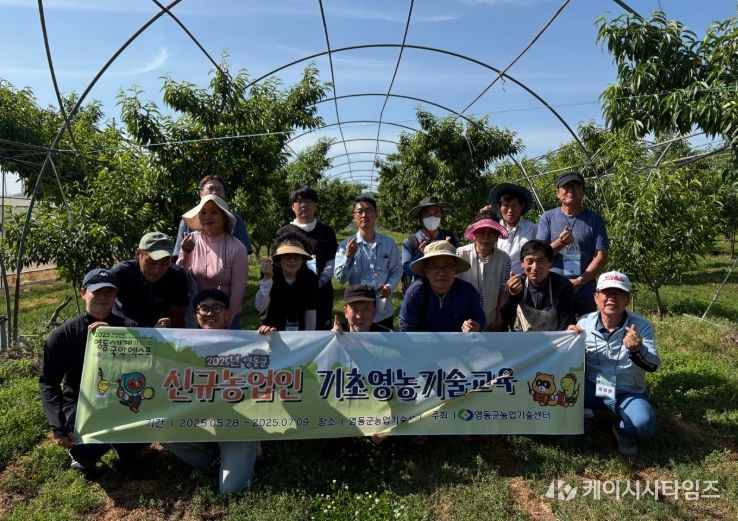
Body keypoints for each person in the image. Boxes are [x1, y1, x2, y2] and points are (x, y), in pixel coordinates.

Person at [39, 268, 139, 470]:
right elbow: (49, 382)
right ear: (83, 292)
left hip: (121, 400)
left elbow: (144, 367)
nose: (103, 297)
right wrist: (58, 427)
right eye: (97, 291)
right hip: (80, 403)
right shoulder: (62, 335)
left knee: (136, 445)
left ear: (115, 295)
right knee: (85, 453)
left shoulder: (130, 328)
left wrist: (116, 338)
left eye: (109, 292)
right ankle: (86, 447)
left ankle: (122, 444)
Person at [164, 289, 259, 493]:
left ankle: (250, 449)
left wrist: (273, 339)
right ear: (195, 315)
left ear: (227, 314)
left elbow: (278, 365)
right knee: (159, 429)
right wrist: (155, 336)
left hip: (239, 426)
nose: (210, 313)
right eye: (204, 308)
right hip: (199, 419)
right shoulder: (180, 344)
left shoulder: (249, 342)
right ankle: (211, 459)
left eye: (217, 308)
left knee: (231, 490)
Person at [568, 271, 660, 455]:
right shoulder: (584, 322)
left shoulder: (640, 326)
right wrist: (568, 340)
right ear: (596, 296)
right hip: (592, 386)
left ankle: (621, 429)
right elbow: (571, 358)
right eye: (607, 292)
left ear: (628, 299)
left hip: (627, 390)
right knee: (561, 393)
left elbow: (654, 365)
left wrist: (637, 349)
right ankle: (581, 418)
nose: (612, 298)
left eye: (619, 293)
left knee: (644, 425)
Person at [536, 172, 609, 316]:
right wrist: (560, 243)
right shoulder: (547, 218)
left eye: (576, 186)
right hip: (553, 289)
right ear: (558, 193)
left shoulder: (594, 219)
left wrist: (580, 281)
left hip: (584, 291)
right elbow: (540, 254)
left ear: (583, 191)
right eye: (566, 187)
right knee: (554, 328)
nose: (571, 190)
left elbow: (601, 256)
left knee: (583, 328)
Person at [177, 194, 248, 329]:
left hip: (225, 316)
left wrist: (225, 323)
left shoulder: (237, 248)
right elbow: (179, 277)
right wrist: (186, 252)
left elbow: (237, 293)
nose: (207, 217)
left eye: (214, 212)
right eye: (203, 212)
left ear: (224, 217)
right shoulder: (192, 240)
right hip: (195, 316)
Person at [334, 195, 402, 330]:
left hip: (382, 310)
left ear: (376, 214)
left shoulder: (389, 244)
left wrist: (389, 287)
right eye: (360, 211)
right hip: (358, 312)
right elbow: (340, 279)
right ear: (354, 216)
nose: (364, 215)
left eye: (369, 210)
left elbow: (396, 270)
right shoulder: (345, 245)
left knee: (383, 342)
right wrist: (348, 257)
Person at [274, 186, 338, 330]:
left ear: (315, 205)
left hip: (321, 293)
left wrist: (319, 282)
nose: (303, 205)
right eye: (298, 202)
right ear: (292, 206)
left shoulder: (326, 232)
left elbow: (331, 261)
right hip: (290, 292)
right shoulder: (284, 232)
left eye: (308, 201)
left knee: (319, 330)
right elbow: (277, 262)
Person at [399, 241, 485, 332]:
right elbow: (406, 328)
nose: (441, 273)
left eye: (447, 266)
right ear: (426, 271)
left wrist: (474, 326)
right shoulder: (415, 292)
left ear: (455, 269)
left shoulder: (467, 291)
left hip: (459, 340)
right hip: (422, 341)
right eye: (435, 267)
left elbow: (480, 318)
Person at [111, 231, 188, 328]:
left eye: (164, 263)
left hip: (159, 333)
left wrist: (171, 325)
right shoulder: (120, 273)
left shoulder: (177, 276)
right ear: (138, 254)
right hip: (121, 331)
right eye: (152, 263)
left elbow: (178, 316)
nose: (157, 270)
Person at [499, 240, 575, 331]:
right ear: (522, 263)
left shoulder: (563, 285)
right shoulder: (517, 284)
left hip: (554, 338)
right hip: (522, 337)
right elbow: (505, 318)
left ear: (550, 262)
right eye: (530, 261)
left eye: (540, 261)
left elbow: (566, 321)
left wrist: (568, 328)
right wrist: (512, 296)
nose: (535, 267)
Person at [173, 174, 253, 259]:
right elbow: (179, 256)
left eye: (219, 189)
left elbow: (243, 254)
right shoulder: (187, 221)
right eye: (210, 189)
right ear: (201, 193)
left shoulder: (236, 220)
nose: (215, 192)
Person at [456, 209, 511, 331]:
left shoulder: (504, 259)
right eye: (482, 232)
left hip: (491, 321)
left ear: (497, 236)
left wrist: (498, 318)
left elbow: (502, 291)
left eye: (491, 233)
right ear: (474, 234)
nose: (486, 237)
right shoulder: (460, 254)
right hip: (463, 322)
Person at [256, 233, 319, 334]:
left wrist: (309, 335)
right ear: (279, 258)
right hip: (271, 330)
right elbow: (260, 306)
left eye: (297, 256)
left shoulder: (310, 278)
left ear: (302, 258)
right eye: (287, 256)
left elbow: (310, 311)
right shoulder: (270, 273)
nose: (292, 260)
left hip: (299, 331)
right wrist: (267, 279)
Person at [401, 196, 459, 292]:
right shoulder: (410, 242)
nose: (432, 217)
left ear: (441, 215)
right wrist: (420, 254)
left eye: (436, 213)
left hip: (446, 290)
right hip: (420, 291)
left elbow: (458, 267)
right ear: (421, 216)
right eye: (427, 213)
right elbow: (407, 270)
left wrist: (449, 250)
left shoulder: (451, 238)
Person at [488, 183, 537, 275]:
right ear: (499, 207)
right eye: (506, 205)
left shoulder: (533, 230)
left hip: (523, 280)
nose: (510, 210)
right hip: (494, 279)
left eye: (514, 205)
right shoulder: (492, 228)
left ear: (521, 206)